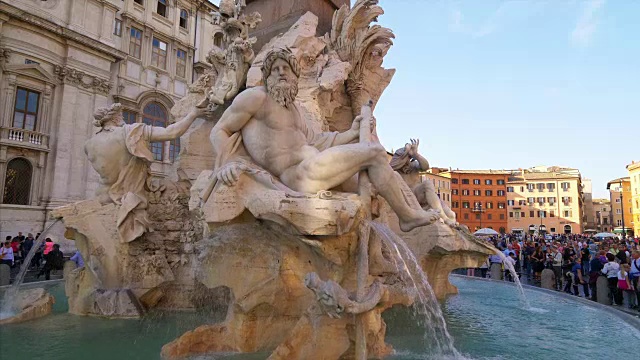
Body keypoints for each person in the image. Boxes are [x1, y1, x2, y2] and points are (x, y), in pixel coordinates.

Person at [209, 48, 441, 233]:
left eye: (286, 69)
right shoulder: (255, 98)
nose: (281, 73)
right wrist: (226, 162)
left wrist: (351, 132)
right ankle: (408, 217)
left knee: (372, 182)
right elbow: (219, 130)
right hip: (297, 176)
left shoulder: (295, 111)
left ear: (294, 76)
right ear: (267, 77)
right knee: (376, 152)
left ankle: (390, 234)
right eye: (275, 70)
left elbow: (318, 142)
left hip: (314, 166)